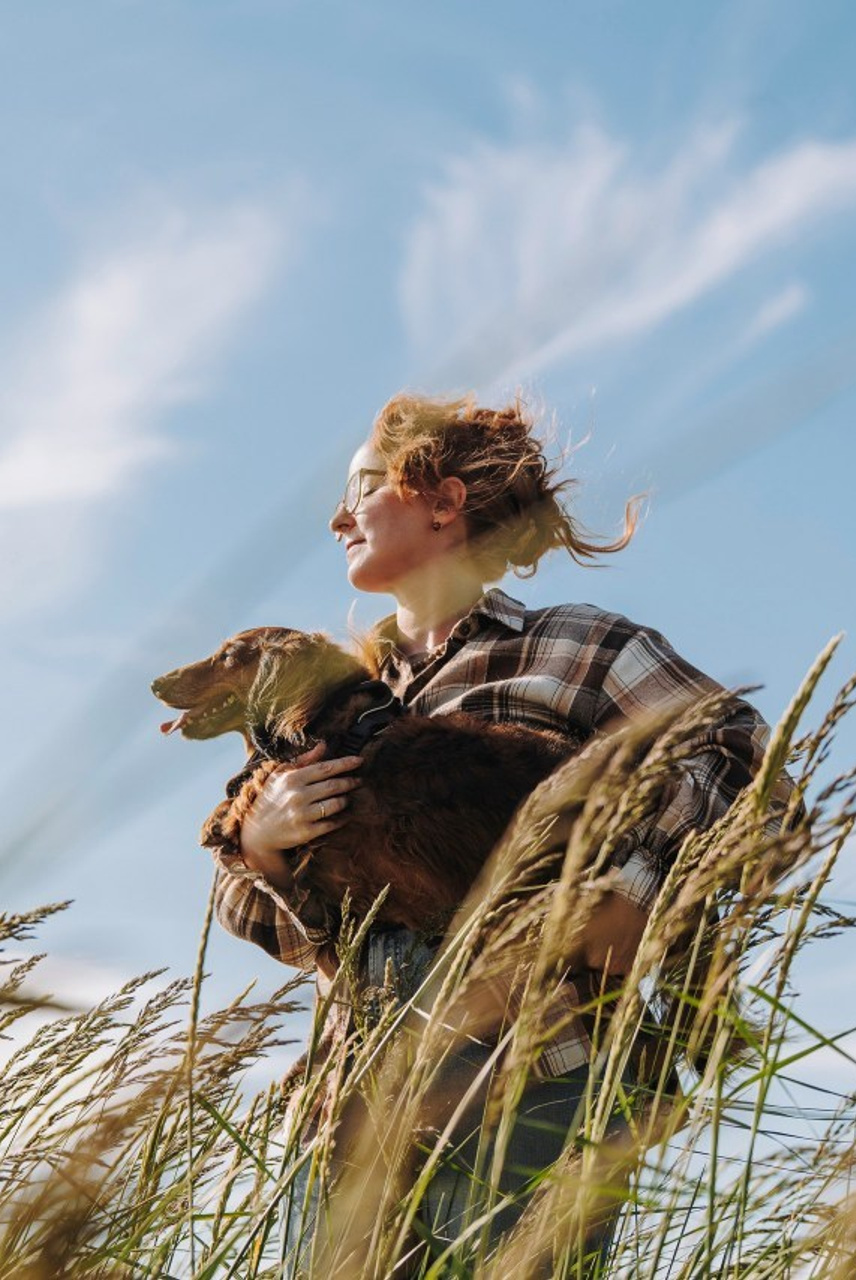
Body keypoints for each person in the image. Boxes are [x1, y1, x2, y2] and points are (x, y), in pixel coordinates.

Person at [207, 392, 778, 1275]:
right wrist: (263, 847)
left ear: (443, 499)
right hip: (346, 1113)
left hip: (533, 1085)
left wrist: (626, 890)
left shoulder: (579, 651)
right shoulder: (321, 702)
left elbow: (742, 758)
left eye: (359, 487)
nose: (334, 518)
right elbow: (252, 910)